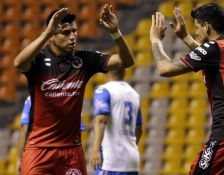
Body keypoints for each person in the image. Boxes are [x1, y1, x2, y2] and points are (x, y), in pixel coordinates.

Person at [14, 4, 134, 175]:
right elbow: (18, 63)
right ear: (52, 36)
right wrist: (46, 33)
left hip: (71, 150)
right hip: (39, 149)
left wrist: (115, 32)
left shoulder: (85, 59)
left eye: (74, 31)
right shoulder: (38, 60)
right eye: (65, 32)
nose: (73, 37)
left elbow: (126, 61)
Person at [150, 3, 224, 175]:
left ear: (206, 26)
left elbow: (165, 68)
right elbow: (211, 57)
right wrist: (185, 37)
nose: (196, 32)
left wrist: (155, 40)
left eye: (197, 27)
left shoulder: (214, 50)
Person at [90, 69, 143, 175]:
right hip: (131, 160)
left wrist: (95, 149)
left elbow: (101, 120)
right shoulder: (134, 95)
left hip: (111, 159)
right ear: (125, 71)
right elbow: (139, 128)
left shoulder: (103, 90)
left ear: (105, 70)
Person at [17, 96, 86, 173]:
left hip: (40, 153)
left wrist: (21, 159)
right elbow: (78, 133)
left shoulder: (32, 98)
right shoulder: (71, 97)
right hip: (67, 153)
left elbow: (25, 129)